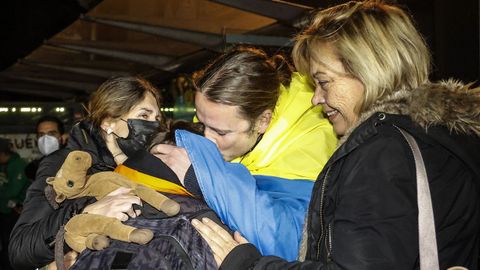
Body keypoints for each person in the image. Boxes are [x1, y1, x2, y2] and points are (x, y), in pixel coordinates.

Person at [191, 1, 480, 269]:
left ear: (368, 71)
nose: (316, 98)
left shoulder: (382, 154)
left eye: (324, 82)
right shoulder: (442, 135)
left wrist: (246, 264)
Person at [152, 47, 338, 260]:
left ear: (262, 121)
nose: (208, 138)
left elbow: (287, 239)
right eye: (200, 121)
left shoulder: (313, 141)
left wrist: (203, 177)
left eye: (221, 132)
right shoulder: (220, 118)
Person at [8, 76, 179, 270]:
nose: (154, 126)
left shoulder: (150, 166)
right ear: (108, 123)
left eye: (157, 119)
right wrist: (86, 210)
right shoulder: (67, 163)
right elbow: (19, 250)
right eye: (144, 116)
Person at [0, 138, 29, 270]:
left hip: (17, 211)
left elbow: (13, 190)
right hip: (4, 210)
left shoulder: (19, 164)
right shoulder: (3, 165)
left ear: (3, 153)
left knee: (12, 244)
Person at [25, 115, 68, 180]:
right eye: (41, 134)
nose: (46, 138)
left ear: (62, 137)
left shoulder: (73, 162)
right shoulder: (33, 169)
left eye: (51, 134)